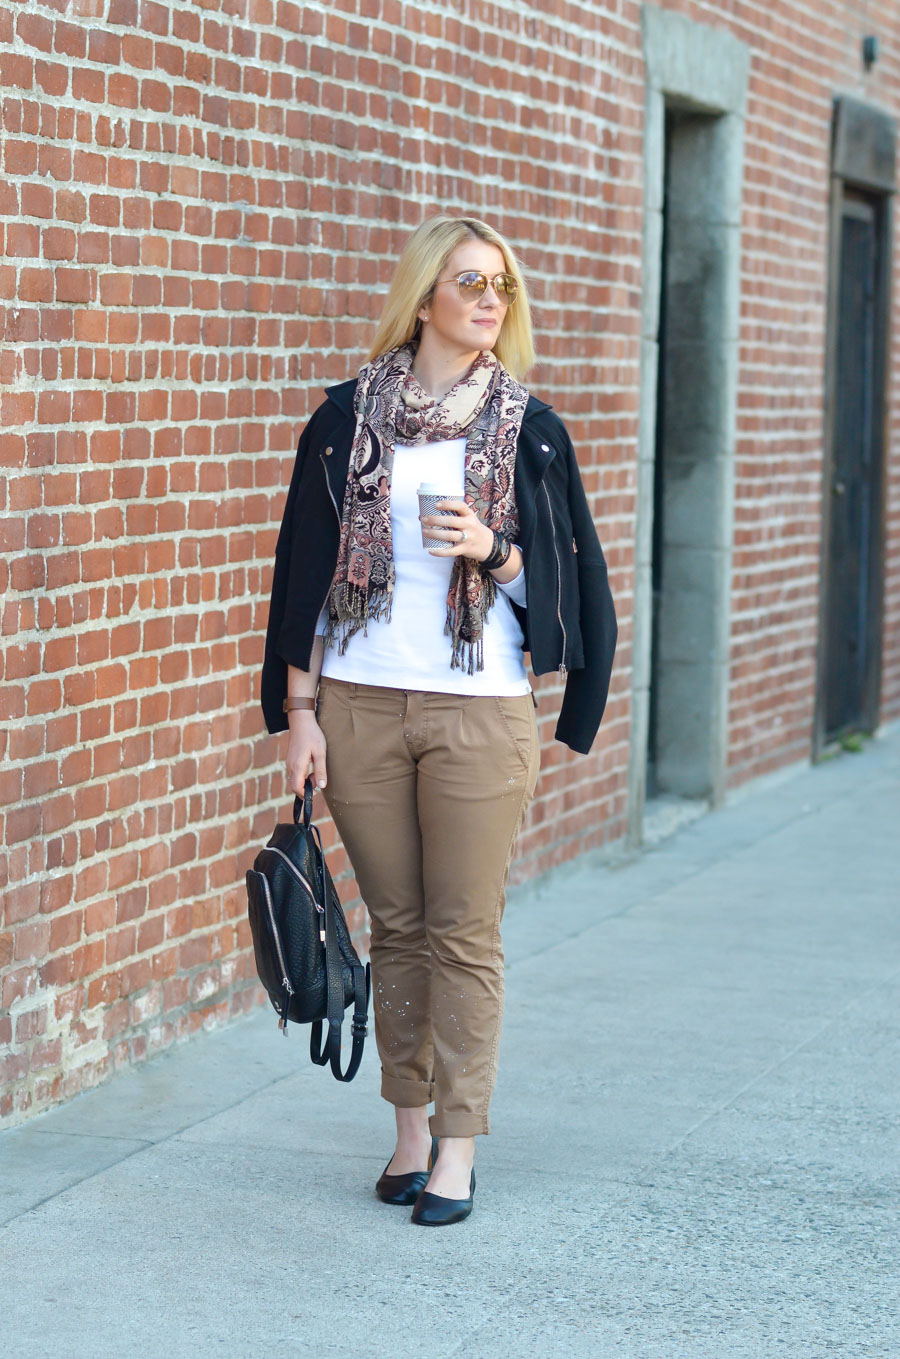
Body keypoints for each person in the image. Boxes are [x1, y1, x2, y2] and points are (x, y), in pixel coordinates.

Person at [260, 215, 617, 1226]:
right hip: (362, 706)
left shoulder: (530, 430)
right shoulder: (344, 421)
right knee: (399, 926)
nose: (492, 299)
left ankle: (459, 1145)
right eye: (472, 281)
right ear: (425, 299)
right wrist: (300, 711)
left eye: (503, 285)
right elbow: (301, 578)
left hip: (479, 712)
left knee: (464, 930)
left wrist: (492, 551)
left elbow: (571, 594)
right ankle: (408, 1128)